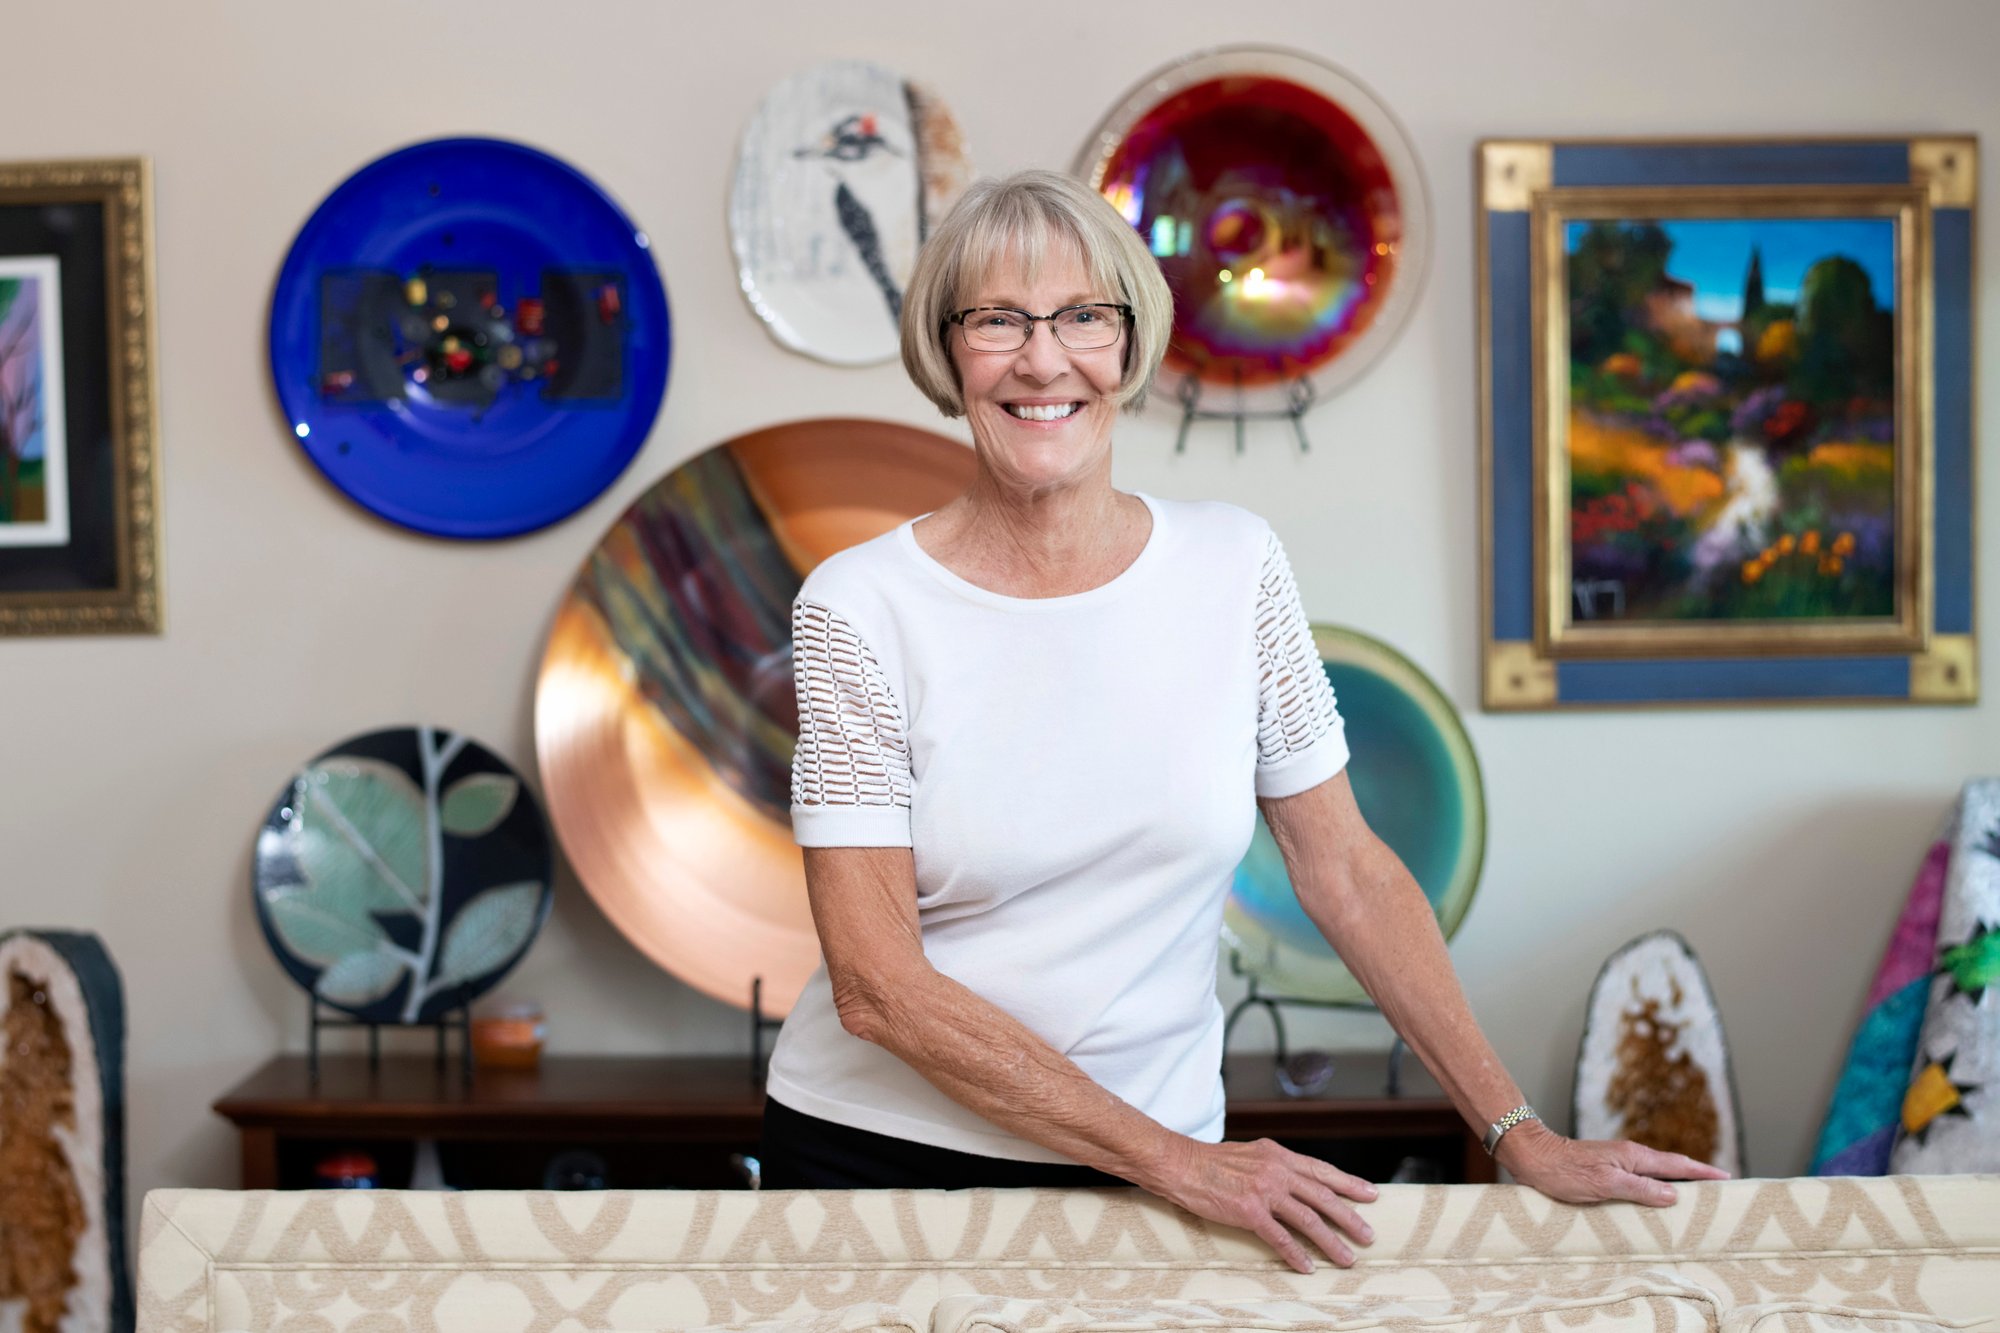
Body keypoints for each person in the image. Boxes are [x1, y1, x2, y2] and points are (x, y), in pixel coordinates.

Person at [759, 169, 1726, 1272]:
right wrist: (1171, 1158)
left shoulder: (1232, 563)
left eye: (1083, 315)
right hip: (888, 1162)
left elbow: (1346, 872)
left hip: (1160, 1177)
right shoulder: (858, 604)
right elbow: (877, 987)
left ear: (1127, 345)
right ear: (947, 350)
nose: (1043, 359)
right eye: (997, 320)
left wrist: (1516, 1132)